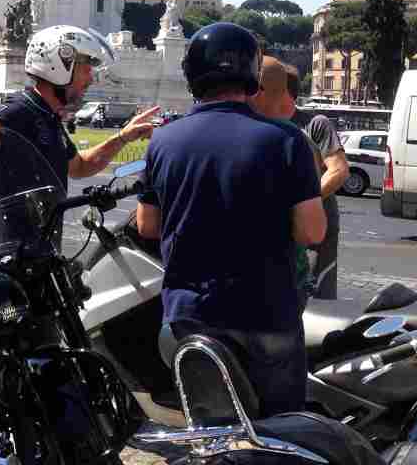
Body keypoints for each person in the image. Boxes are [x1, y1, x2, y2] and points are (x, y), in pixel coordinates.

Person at [136, 22, 326, 416]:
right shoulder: (285, 140)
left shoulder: (163, 140)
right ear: (252, 75)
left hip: (190, 317)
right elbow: (312, 231)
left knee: (212, 436)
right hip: (265, 314)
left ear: (192, 75)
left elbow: (146, 225)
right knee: (278, 435)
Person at [0, 25, 160, 197]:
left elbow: (79, 166)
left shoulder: (47, 115)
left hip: (43, 243)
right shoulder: (17, 110)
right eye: (86, 69)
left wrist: (123, 137)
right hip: (8, 243)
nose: (90, 79)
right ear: (59, 67)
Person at [286, 63, 348, 300]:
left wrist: (301, 201)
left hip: (315, 225)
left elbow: (339, 171)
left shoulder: (315, 124)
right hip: (286, 229)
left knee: (316, 295)